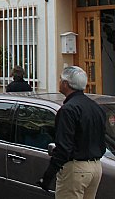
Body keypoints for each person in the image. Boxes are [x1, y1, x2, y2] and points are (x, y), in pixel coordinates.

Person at [38, 66, 106, 198]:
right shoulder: (95, 107)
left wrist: (48, 176)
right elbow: (101, 139)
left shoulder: (68, 109)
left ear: (65, 83)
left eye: (60, 79)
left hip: (76, 168)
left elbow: (64, 147)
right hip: (96, 166)